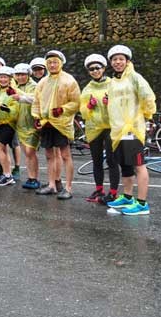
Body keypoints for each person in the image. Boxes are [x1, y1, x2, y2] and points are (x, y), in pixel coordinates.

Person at [105, 45, 156, 216]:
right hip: (118, 130)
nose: (118, 62)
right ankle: (127, 197)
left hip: (132, 129)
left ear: (127, 61)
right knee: (125, 164)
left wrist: (147, 114)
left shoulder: (135, 77)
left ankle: (142, 204)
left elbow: (147, 96)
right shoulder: (113, 81)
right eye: (114, 59)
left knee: (138, 165)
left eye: (121, 59)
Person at [32, 50, 80, 199]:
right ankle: (52, 184)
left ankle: (68, 187)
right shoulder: (43, 82)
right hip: (46, 123)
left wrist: (63, 109)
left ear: (61, 63)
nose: (52, 65)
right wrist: (36, 117)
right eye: (50, 62)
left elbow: (76, 102)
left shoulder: (69, 80)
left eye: (55, 62)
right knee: (48, 155)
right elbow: (36, 101)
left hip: (62, 123)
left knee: (65, 155)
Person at [79, 54, 119, 204]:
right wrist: (89, 106)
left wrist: (111, 102)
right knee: (96, 160)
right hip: (94, 127)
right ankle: (99, 189)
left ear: (103, 68)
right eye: (91, 69)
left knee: (111, 159)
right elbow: (82, 111)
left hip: (111, 126)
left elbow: (122, 105)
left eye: (98, 68)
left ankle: (113, 192)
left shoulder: (113, 84)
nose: (95, 71)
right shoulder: (87, 88)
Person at [11, 63, 41, 190]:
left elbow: (36, 99)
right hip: (20, 124)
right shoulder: (13, 86)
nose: (20, 77)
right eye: (18, 75)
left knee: (31, 151)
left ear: (28, 75)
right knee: (26, 152)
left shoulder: (35, 86)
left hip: (32, 122)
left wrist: (21, 97)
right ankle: (30, 177)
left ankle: (34, 178)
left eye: (23, 74)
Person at [0, 67, 19, 186]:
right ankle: (6, 173)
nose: (3, 79)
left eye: (5, 77)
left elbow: (17, 108)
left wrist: (8, 109)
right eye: (1, 77)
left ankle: (8, 175)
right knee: (3, 149)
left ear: (10, 78)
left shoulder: (13, 91)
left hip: (8, 124)